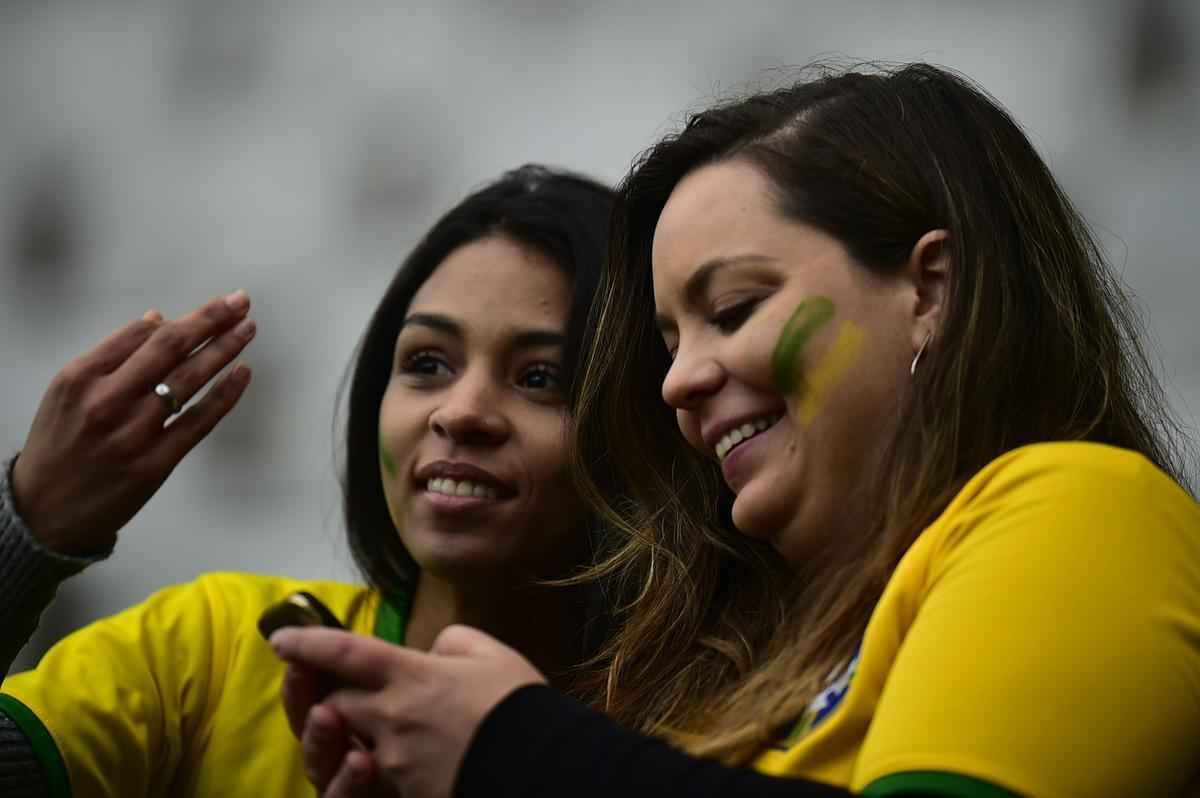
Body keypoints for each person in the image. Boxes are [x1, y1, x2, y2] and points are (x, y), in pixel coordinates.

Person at [272, 63, 1200, 798]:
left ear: (931, 290)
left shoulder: (1084, 507)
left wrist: (513, 751)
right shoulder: (762, 658)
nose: (677, 381)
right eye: (670, 340)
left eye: (734, 307)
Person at [0, 163, 615, 797]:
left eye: (541, 378)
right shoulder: (219, 649)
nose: (459, 412)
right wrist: (26, 532)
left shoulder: (693, 735)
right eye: (427, 363)